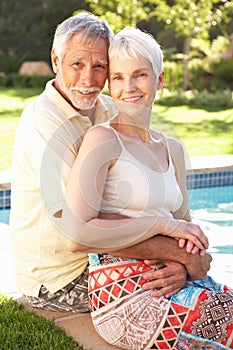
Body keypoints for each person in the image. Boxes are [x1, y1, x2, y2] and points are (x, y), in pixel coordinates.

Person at [10, 12, 211, 314]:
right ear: (56, 61)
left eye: (100, 67)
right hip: (61, 276)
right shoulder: (46, 123)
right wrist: (180, 254)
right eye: (77, 64)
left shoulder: (108, 109)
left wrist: (179, 261)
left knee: (197, 296)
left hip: (106, 256)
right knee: (189, 306)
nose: (89, 80)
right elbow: (79, 230)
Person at [62, 27, 233, 349]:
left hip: (169, 279)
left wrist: (182, 267)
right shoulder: (103, 140)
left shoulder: (173, 149)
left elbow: (188, 229)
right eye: (118, 78)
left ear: (160, 79)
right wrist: (162, 225)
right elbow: (75, 235)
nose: (129, 88)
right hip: (123, 292)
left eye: (140, 75)